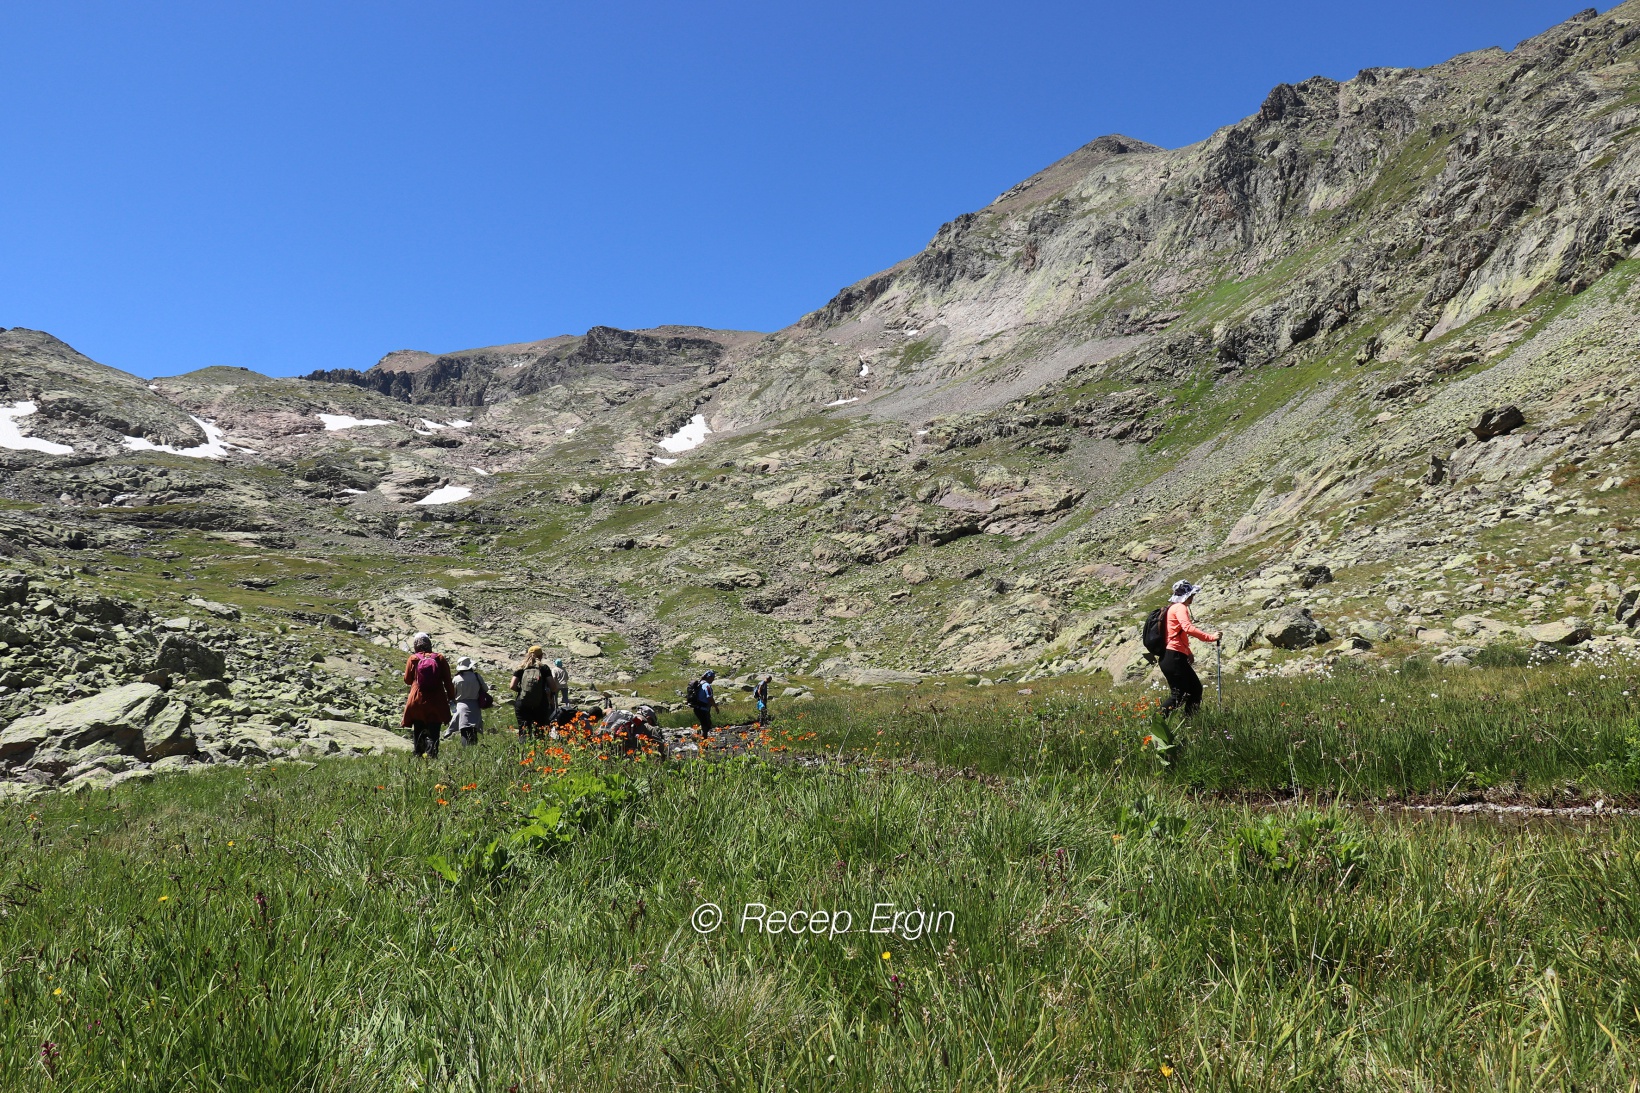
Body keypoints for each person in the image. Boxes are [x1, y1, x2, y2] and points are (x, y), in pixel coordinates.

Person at [1159, 580, 1219, 719]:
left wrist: (1188, 652)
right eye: (1192, 595)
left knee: (1191, 690)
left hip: (1171, 655)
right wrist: (1210, 637)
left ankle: (1187, 722)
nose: (1193, 597)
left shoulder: (1171, 608)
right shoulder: (1180, 608)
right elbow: (1187, 628)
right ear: (1187, 595)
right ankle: (1158, 721)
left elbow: (1176, 634)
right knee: (1183, 693)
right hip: (1174, 656)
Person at [401, 632, 455, 759]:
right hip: (437, 701)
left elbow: (407, 680)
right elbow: (448, 681)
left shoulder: (413, 659)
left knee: (418, 729)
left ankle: (418, 756)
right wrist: (451, 698)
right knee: (434, 731)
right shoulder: (439, 658)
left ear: (416, 645)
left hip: (417, 700)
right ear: (429, 643)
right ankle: (432, 756)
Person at [511, 646, 555, 739]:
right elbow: (553, 687)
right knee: (540, 731)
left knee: (523, 730)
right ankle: (538, 751)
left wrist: (522, 691)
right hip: (540, 703)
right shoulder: (544, 668)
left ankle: (523, 751)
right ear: (541, 656)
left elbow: (512, 686)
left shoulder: (521, 668)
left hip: (522, 702)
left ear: (527, 654)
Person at [448, 656, 490, 747]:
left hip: (461, 706)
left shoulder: (456, 678)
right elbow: (485, 689)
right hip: (475, 706)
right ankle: (473, 749)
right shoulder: (476, 676)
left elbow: (452, 695)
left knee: (464, 730)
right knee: (473, 729)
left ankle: (466, 750)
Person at [686, 669, 719, 737]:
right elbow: (710, 698)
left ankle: (701, 739)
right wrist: (716, 707)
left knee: (706, 725)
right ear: (709, 677)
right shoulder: (707, 685)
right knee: (706, 726)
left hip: (698, 708)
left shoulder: (701, 683)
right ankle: (703, 743)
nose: (713, 680)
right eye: (713, 678)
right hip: (702, 709)